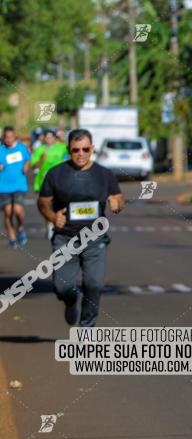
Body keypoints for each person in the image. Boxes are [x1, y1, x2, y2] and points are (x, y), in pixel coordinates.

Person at [37, 129, 125, 327]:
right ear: (68, 149)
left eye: (85, 149)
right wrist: (52, 216)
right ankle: (70, 302)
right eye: (76, 149)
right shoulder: (56, 174)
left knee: (94, 285)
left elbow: (119, 198)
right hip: (65, 238)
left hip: (95, 240)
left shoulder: (104, 174)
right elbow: (43, 202)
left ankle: (86, 327)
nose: (80, 153)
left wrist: (116, 203)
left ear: (92, 149)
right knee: (62, 287)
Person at [0, 127, 32, 248]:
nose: (8, 140)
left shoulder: (22, 148)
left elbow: (28, 160)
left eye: (10, 137)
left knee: (18, 210)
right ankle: (12, 238)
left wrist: (26, 167)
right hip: (3, 186)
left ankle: (20, 228)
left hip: (19, 184)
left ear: (15, 137)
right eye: (6, 137)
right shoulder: (1, 150)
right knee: (8, 212)